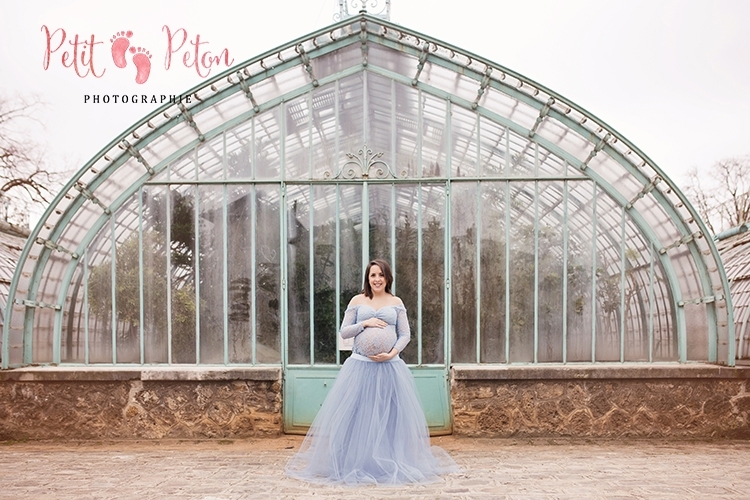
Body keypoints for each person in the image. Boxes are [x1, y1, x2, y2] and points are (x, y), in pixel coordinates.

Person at [285, 259, 459, 486]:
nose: (377, 279)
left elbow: (405, 334)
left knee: (389, 416)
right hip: (359, 367)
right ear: (367, 278)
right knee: (357, 415)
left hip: (390, 367)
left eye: (381, 275)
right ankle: (355, 463)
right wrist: (365, 324)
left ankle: (387, 461)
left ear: (387, 278)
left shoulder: (396, 302)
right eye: (372, 275)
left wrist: (392, 352)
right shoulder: (358, 301)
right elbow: (344, 332)